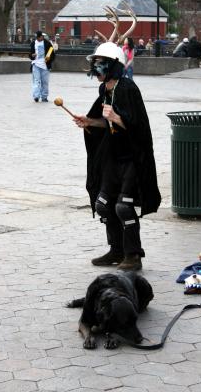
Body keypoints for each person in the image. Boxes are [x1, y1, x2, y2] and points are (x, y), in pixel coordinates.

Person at [73, 41, 161, 271]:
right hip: (112, 157)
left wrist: (117, 117)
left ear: (112, 66)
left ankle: (133, 255)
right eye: (95, 63)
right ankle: (116, 250)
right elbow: (104, 122)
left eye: (100, 63)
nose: (95, 68)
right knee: (104, 204)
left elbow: (140, 126)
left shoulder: (128, 88)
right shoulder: (104, 90)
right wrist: (89, 121)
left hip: (132, 158)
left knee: (124, 207)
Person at [29, 30, 55, 102]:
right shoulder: (33, 43)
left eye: (39, 37)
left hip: (45, 66)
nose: (37, 39)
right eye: (36, 38)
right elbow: (30, 54)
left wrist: (49, 58)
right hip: (36, 64)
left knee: (45, 82)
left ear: (42, 36)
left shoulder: (47, 43)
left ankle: (44, 96)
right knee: (36, 81)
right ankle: (36, 96)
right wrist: (32, 55)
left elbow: (52, 53)